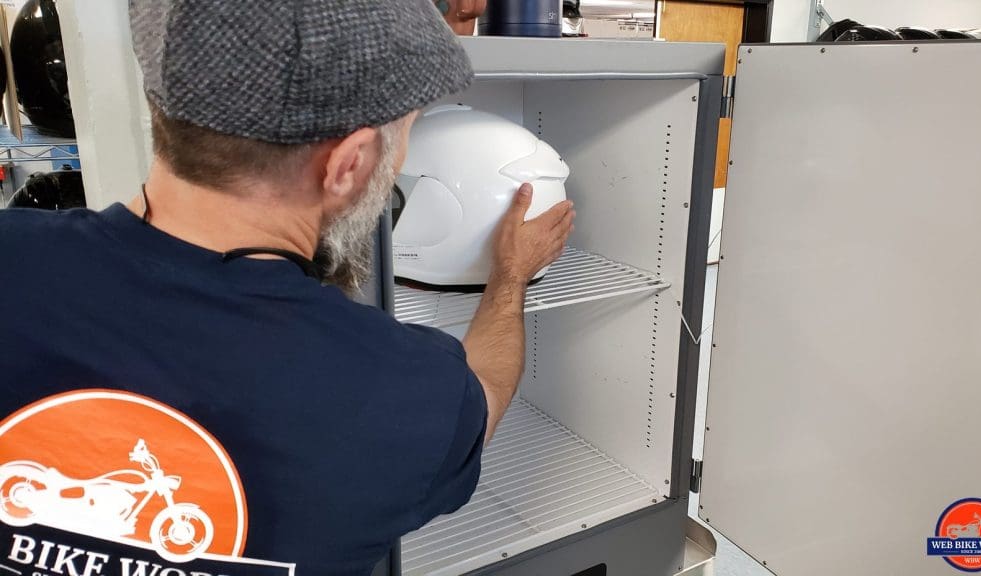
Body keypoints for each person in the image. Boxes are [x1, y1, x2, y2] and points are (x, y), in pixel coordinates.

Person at [0, 1, 573, 575]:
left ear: (161, 107)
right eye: (404, 134)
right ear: (347, 164)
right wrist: (509, 280)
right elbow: (488, 394)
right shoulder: (403, 389)